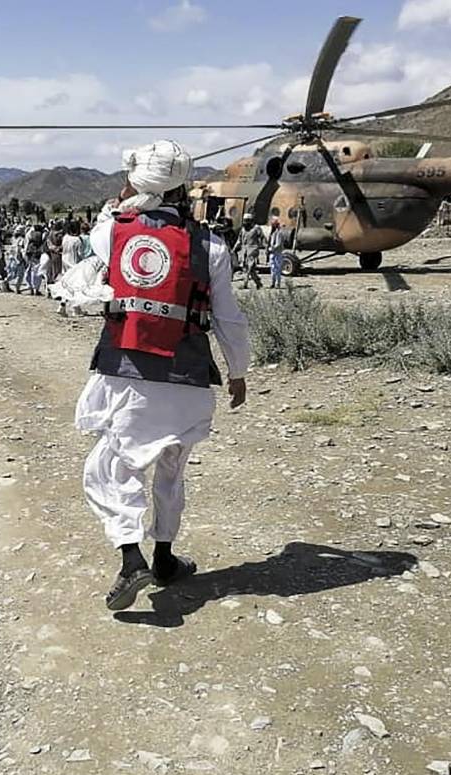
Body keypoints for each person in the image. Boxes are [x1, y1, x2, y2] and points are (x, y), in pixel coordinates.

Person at [75, 140, 249, 611]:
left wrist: (123, 198)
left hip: (127, 372)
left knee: (112, 469)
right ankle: (166, 558)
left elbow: (102, 226)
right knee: (171, 471)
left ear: (138, 184)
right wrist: (238, 372)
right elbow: (229, 317)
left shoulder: (112, 231)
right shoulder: (210, 244)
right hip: (188, 374)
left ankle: (132, 559)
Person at [233, 212, 264, 289]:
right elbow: (239, 240)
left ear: (251, 220)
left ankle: (245, 284)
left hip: (253, 250)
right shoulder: (243, 230)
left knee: (248, 267)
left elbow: (262, 238)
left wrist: (266, 247)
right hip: (244, 251)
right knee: (250, 269)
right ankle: (258, 283)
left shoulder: (256, 228)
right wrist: (234, 249)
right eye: (244, 220)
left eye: (247, 220)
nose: (245, 222)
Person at [267, 216, 285, 288]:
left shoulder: (279, 233)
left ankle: (278, 283)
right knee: (272, 268)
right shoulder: (273, 233)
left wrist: (271, 249)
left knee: (277, 268)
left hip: (277, 253)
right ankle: (273, 283)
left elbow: (278, 244)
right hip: (273, 253)